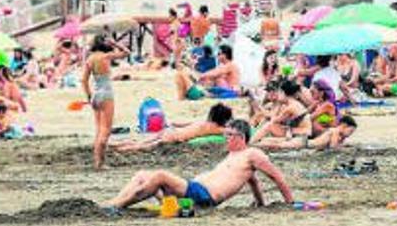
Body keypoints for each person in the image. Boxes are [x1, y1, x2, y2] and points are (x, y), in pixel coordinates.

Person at [103, 120, 294, 210]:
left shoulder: (252, 153)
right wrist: (260, 203)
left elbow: (277, 177)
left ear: (241, 138)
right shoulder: (235, 156)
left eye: (229, 135)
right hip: (194, 192)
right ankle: (114, 202)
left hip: (204, 196)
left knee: (160, 176)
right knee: (143, 174)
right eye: (225, 134)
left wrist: (290, 203)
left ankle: (117, 206)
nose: (224, 138)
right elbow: (252, 181)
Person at [82, 34, 130, 169]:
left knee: (98, 130)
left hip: (95, 94)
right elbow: (126, 53)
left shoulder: (90, 59)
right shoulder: (106, 57)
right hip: (106, 94)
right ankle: (101, 163)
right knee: (106, 131)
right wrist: (115, 43)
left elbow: (83, 80)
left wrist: (89, 96)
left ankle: (97, 161)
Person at [114, 103, 235, 153]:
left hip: (169, 131)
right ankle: (122, 149)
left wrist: (172, 123)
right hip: (174, 137)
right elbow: (231, 132)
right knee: (141, 147)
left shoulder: (203, 123)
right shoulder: (215, 129)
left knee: (141, 141)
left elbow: (182, 123)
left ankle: (115, 145)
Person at [250, 80, 312, 144]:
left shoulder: (290, 108)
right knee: (266, 140)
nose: (278, 95)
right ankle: (252, 141)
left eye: (279, 92)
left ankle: (250, 142)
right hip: (298, 133)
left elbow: (273, 120)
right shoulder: (294, 104)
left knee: (269, 126)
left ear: (283, 93)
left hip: (301, 135)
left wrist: (279, 104)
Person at [259, 115, 358, 151]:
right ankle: (256, 145)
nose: (351, 134)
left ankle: (259, 143)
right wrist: (346, 150)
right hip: (304, 143)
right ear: (344, 125)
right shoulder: (335, 131)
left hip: (304, 143)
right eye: (351, 131)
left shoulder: (334, 132)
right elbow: (333, 148)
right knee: (279, 146)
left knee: (279, 144)